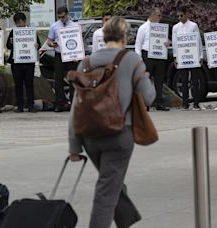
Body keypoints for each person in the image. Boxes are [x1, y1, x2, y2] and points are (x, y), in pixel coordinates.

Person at [69, 17, 156, 228]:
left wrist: (74, 145)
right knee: (107, 190)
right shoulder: (131, 59)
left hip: (89, 137)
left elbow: (76, 106)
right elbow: (149, 96)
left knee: (111, 180)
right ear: (125, 36)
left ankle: (126, 220)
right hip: (119, 134)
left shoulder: (86, 63)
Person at [135, 8, 170, 111]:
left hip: (159, 55)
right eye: (159, 16)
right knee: (147, 80)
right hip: (147, 55)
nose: (160, 18)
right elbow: (138, 44)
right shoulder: (143, 28)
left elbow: (164, 41)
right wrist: (140, 58)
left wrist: (167, 43)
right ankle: (146, 103)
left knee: (159, 80)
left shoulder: (161, 28)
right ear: (152, 15)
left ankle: (159, 103)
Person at [46, 6, 79, 112]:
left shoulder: (75, 26)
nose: (61, 19)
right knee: (58, 80)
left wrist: (77, 55)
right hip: (59, 55)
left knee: (73, 79)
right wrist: (51, 44)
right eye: (59, 17)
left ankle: (73, 103)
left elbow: (78, 42)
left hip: (71, 55)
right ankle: (60, 103)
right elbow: (48, 40)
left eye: (63, 17)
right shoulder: (54, 26)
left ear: (67, 14)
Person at [6, 12, 41, 113]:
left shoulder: (31, 31)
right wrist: (12, 42)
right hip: (16, 62)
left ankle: (31, 105)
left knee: (29, 84)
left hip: (28, 61)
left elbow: (38, 44)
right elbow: (8, 45)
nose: (18, 24)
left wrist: (36, 45)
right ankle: (20, 106)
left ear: (24, 21)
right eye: (16, 22)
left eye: (20, 22)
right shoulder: (14, 32)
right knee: (18, 84)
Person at [172, 5, 203, 110]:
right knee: (184, 81)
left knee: (194, 81)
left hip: (193, 57)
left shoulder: (193, 26)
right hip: (182, 57)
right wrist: (175, 57)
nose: (179, 18)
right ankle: (185, 103)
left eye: (181, 15)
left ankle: (196, 103)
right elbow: (175, 43)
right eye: (178, 16)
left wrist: (200, 55)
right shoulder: (175, 27)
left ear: (186, 14)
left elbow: (198, 41)